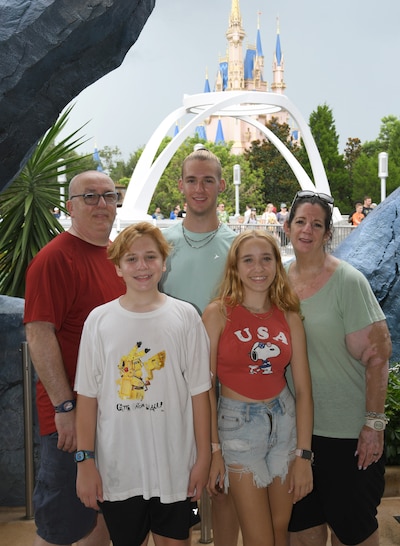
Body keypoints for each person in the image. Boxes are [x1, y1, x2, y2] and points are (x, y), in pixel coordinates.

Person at [74, 222, 211, 546]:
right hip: (119, 470)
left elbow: (200, 395)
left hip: (176, 468)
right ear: (118, 267)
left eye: (150, 257)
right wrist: (85, 462)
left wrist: (203, 457)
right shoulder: (99, 321)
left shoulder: (185, 317)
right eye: (131, 259)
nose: (142, 266)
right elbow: (88, 399)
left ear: (164, 262)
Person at [284, 190, 392, 546]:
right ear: (287, 226)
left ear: (328, 234)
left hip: (346, 436)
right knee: (304, 531)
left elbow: (378, 355)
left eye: (317, 224)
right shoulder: (276, 282)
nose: (307, 230)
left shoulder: (348, 282)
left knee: (354, 532)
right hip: (296, 435)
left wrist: (373, 425)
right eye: (300, 221)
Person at [24, 171, 125, 546]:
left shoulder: (116, 255)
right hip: (69, 421)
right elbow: (38, 334)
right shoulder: (55, 259)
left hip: (111, 417)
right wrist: (63, 407)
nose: (101, 204)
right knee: (62, 527)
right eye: (90, 197)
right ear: (70, 207)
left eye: (109, 196)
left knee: (95, 518)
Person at [202, 229, 313, 546]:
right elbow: (205, 390)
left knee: (280, 529)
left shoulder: (289, 315)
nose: (258, 268)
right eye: (248, 260)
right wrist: (214, 451)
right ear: (235, 267)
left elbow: (304, 391)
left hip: (285, 422)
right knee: (259, 538)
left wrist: (303, 456)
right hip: (238, 430)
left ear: (277, 264)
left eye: (266, 259)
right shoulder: (217, 314)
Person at [160, 145, 239, 545]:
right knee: (176, 484)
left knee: (221, 483)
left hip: (223, 384)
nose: (200, 188)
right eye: (192, 179)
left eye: (208, 180)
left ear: (221, 185)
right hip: (170, 381)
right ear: (181, 186)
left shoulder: (236, 248)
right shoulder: (160, 242)